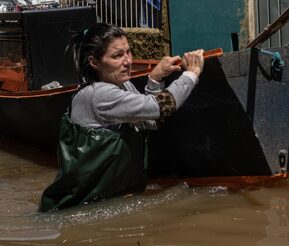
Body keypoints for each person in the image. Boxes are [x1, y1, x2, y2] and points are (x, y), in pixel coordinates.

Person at [40, 22, 205, 212]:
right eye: (117, 56)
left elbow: (149, 121)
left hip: (108, 200)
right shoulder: (98, 95)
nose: (128, 61)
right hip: (74, 209)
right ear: (94, 62)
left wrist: (154, 80)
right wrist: (191, 75)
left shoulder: (122, 85)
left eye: (128, 52)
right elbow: (162, 107)